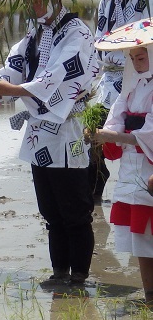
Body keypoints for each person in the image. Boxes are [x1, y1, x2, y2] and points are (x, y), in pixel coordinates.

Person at [0, 0, 98, 284]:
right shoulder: (34, 34)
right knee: (50, 210)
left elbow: (62, 75)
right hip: (40, 132)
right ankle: (58, 271)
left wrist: (16, 91)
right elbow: (14, 65)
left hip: (70, 126)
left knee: (75, 208)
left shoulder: (77, 32)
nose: (35, 3)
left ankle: (78, 276)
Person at [92, 20, 153, 304]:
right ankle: (149, 294)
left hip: (149, 164)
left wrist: (118, 135)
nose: (137, 62)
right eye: (133, 58)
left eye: (141, 57)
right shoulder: (131, 86)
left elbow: (149, 132)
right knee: (140, 238)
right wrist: (104, 133)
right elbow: (116, 116)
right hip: (131, 166)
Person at [92, 0, 153, 203]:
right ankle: (96, 194)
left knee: (137, 137)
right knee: (94, 142)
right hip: (110, 80)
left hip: (143, 74)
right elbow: (98, 42)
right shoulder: (105, 2)